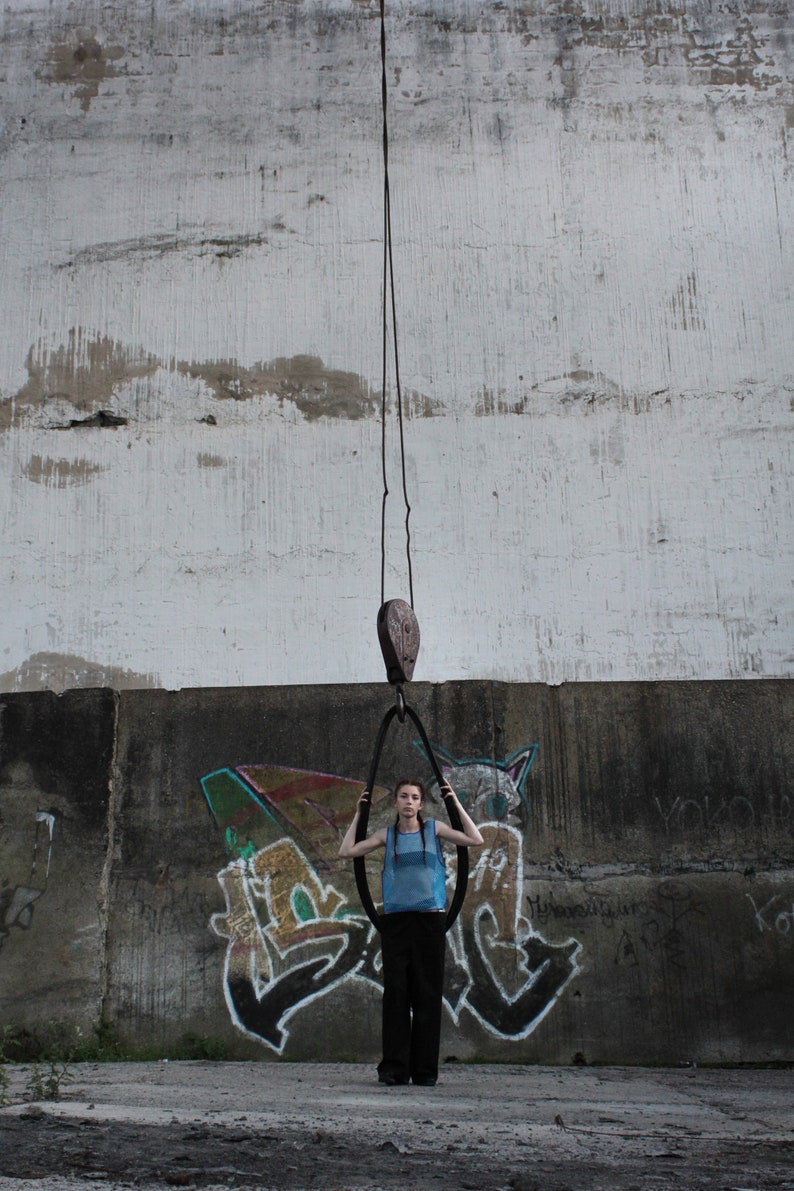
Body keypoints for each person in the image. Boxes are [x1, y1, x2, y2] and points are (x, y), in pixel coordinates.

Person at [338, 777, 484, 1086]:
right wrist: (358, 814)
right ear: (396, 802)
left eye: (414, 797)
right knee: (396, 995)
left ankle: (425, 1071)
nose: (408, 801)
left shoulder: (434, 829)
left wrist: (454, 802)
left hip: (430, 921)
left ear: (420, 803)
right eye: (403, 796)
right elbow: (346, 851)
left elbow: (475, 839)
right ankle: (393, 1068)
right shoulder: (386, 835)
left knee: (427, 996)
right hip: (396, 923)